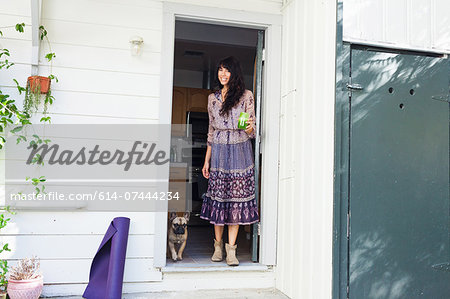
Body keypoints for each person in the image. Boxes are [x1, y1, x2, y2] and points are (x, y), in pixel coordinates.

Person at [200, 56, 260, 266]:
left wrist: (250, 127)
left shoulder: (246, 96)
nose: (222, 74)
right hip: (218, 151)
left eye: (227, 71)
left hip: (240, 150)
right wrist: (206, 161)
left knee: (235, 200)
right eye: (220, 70)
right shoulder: (212, 98)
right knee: (219, 199)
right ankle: (217, 246)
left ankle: (231, 251)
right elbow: (211, 131)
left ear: (234, 74)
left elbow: (250, 131)